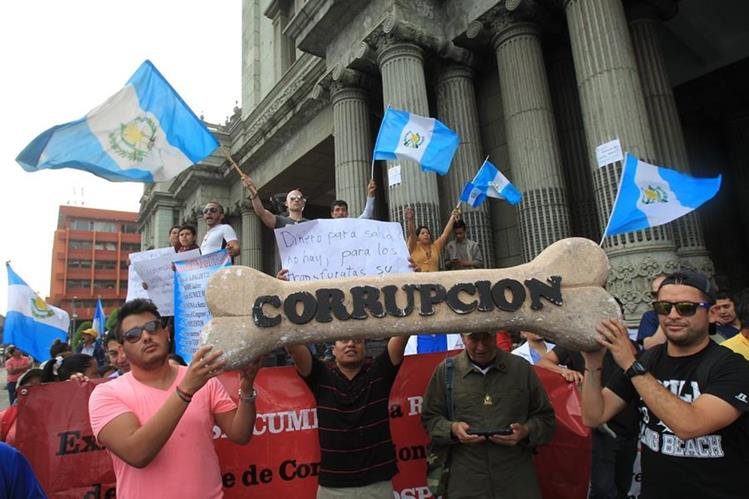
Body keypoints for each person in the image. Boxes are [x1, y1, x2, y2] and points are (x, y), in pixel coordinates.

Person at [580, 270, 749, 499]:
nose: (673, 315)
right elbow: (595, 415)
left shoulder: (733, 366)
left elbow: (689, 425)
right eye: (664, 307)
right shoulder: (647, 361)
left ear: (711, 314)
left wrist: (630, 363)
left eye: (686, 308)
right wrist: (592, 364)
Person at [88, 299, 260, 499]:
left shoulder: (202, 379)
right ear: (122, 349)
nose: (146, 336)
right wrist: (185, 390)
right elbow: (137, 453)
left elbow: (240, 434)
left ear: (167, 333)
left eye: (152, 327)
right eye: (133, 335)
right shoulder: (107, 394)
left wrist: (246, 388)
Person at [279, 267, 408, 497]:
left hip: (377, 486)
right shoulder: (320, 376)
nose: (351, 344)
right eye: (343, 340)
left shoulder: (379, 373)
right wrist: (281, 296)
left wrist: (413, 284)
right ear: (333, 348)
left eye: (357, 339)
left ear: (365, 345)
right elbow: (292, 344)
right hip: (332, 488)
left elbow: (404, 330)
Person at [421, 331, 555, 498]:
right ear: (462, 337)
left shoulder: (521, 369)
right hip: (467, 481)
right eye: (474, 339)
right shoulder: (446, 372)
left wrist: (526, 431)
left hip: (516, 481)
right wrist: (452, 429)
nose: (481, 346)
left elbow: (546, 419)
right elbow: (430, 418)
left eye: (487, 338)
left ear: (496, 335)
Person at [405, 206, 460, 272]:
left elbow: (445, 234)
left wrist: (452, 218)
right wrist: (410, 220)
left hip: (435, 281)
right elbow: (412, 233)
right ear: (418, 237)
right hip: (418, 280)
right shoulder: (414, 246)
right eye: (422, 233)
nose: (426, 234)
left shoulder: (435, 247)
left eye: (427, 233)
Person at [243, 175, 309, 229]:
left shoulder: (313, 224)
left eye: (300, 198)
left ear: (303, 203)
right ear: (286, 203)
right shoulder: (280, 221)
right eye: (292, 198)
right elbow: (261, 212)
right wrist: (253, 193)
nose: (296, 200)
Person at [1, 368, 43, 445]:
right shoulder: (5, 417)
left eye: (41, 387)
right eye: (30, 386)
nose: (35, 391)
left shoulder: (57, 417)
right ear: (18, 391)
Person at [637, 275, 666, 349]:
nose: (657, 298)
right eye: (654, 294)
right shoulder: (650, 316)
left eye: (661, 292)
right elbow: (650, 346)